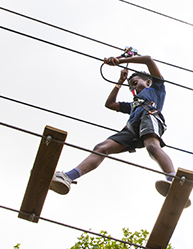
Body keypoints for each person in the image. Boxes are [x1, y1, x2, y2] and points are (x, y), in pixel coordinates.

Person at [50, 55, 176, 198]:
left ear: (148, 82)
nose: (133, 87)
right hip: (131, 128)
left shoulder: (156, 89)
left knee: (152, 146)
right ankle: (68, 177)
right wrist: (120, 82)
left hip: (149, 116)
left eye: (135, 83)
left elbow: (148, 59)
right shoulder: (133, 105)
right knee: (101, 148)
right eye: (131, 87)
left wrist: (119, 61)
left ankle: (172, 179)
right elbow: (110, 104)